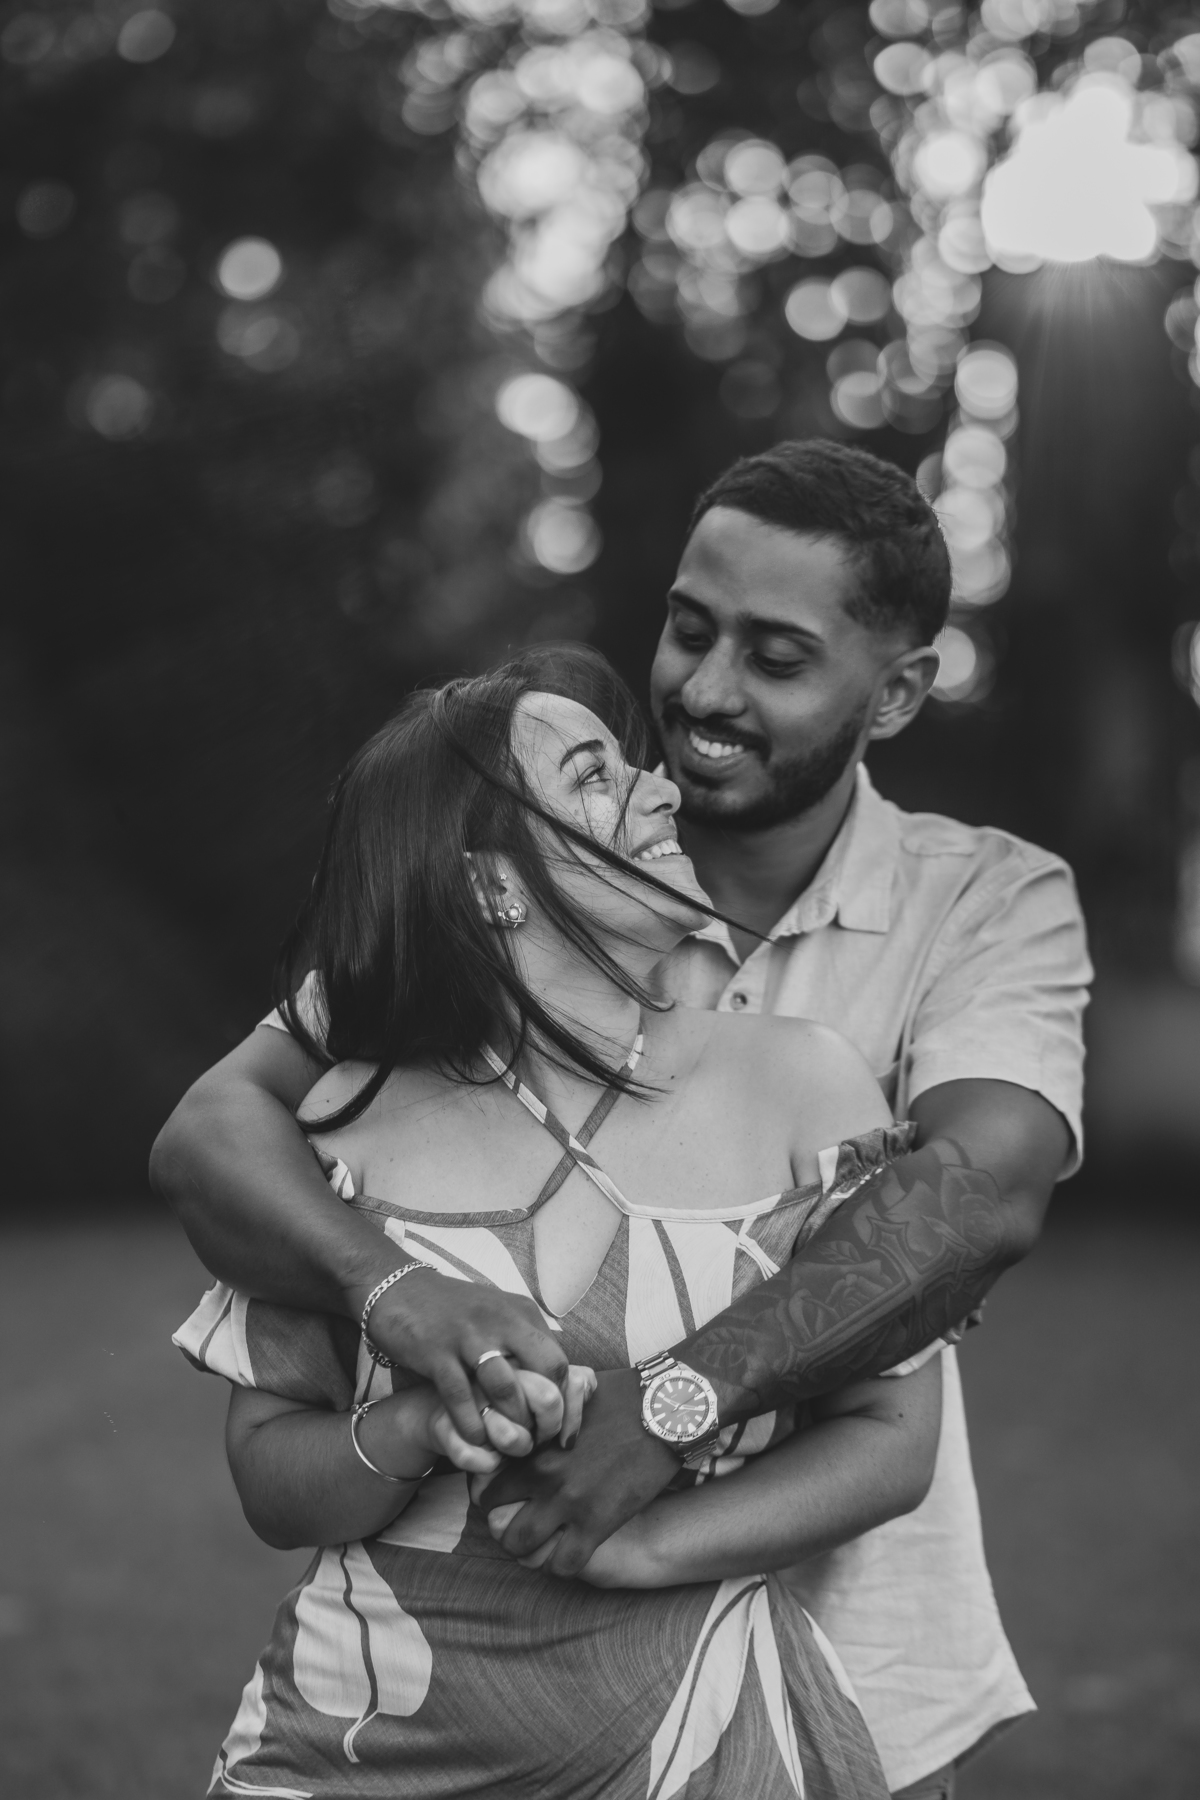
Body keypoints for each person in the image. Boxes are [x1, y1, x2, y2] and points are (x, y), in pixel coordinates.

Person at [152, 440, 1091, 1798]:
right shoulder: (516, 869)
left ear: (895, 693)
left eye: (776, 657)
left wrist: (669, 1407)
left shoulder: (984, 902)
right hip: (425, 1698)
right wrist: (398, 1295)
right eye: (689, 628)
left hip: (849, 1657)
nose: (702, 694)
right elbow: (216, 1128)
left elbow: (975, 1197)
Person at [175, 646, 942, 1797]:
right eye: (593, 776)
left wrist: (644, 1545)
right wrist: (415, 1429)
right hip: (352, 1750)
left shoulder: (806, 1089)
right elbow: (269, 1479)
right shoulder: (341, 1125)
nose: (662, 788)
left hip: (704, 1747)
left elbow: (890, 1436)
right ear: (491, 886)